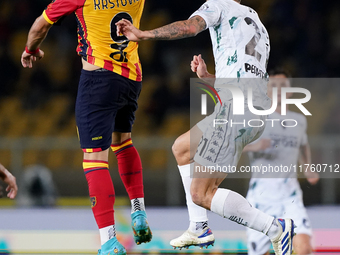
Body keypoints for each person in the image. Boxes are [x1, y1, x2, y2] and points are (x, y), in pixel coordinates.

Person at [116, 1, 295, 255]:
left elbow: (190, 27)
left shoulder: (218, 5)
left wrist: (144, 34)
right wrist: (209, 78)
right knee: (182, 148)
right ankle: (198, 226)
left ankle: (275, 228)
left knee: (201, 193)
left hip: (235, 109)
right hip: (249, 109)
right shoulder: (257, 23)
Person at [21, 0, 152, 254]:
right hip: (131, 78)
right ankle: (139, 211)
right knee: (123, 143)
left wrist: (30, 49)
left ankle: (109, 241)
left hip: (98, 79)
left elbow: (40, 26)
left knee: (94, 160)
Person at [244, 70, 318, 255]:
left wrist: (307, 167)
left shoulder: (299, 121)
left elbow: (303, 144)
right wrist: (255, 146)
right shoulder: (256, 117)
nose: (279, 90)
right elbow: (234, 144)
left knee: (304, 248)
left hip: (289, 195)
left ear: (290, 91)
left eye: (283, 86)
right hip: (261, 198)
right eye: (274, 86)